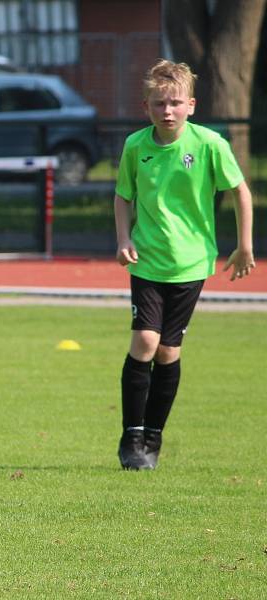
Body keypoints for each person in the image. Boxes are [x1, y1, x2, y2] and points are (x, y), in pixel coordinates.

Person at [114, 59, 255, 470]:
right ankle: (130, 437)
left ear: (191, 105)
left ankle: (153, 437)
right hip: (147, 260)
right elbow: (123, 196)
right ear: (147, 107)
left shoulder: (210, 144)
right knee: (144, 342)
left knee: (169, 352)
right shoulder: (135, 147)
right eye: (159, 104)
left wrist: (245, 246)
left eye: (175, 103)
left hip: (191, 265)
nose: (167, 111)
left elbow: (241, 192)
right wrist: (123, 238)